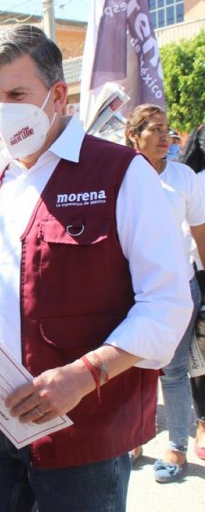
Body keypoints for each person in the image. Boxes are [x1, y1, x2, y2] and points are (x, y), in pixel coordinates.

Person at [0, 24, 191, 512]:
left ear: (58, 94)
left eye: (17, 93)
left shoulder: (119, 174)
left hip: (84, 429)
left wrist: (85, 375)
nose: (3, 111)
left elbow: (168, 303)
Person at [125, 105, 205, 481]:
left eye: (168, 130)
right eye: (155, 129)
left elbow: (200, 234)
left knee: (173, 370)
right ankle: (131, 439)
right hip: (129, 286)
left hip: (179, 285)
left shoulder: (185, 177)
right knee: (130, 366)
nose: (165, 137)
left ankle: (176, 447)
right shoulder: (121, 175)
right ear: (133, 136)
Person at [171, 122, 205, 463]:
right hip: (192, 276)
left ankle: (185, 437)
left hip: (192, 278)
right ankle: (202, 424)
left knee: (183, 364)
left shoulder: (186, 179)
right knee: (195, 360)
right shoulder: (195, 180)